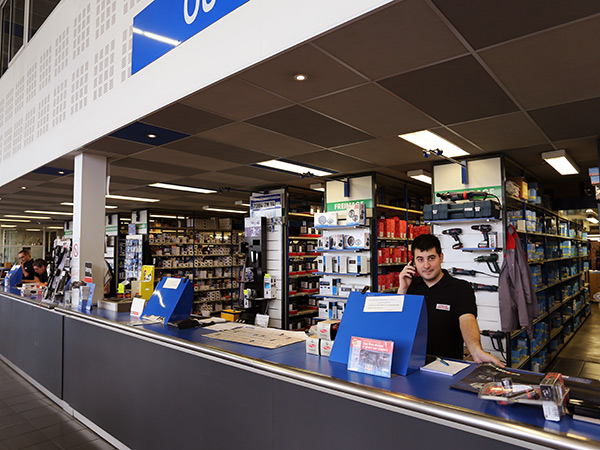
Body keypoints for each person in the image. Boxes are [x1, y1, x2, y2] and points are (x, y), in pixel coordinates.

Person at [397, 234, 503, 366]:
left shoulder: (460, 288)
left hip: (448, 366)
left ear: (441, 257)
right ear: (413, 262)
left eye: (431, 258)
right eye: (420, 259)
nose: (426, 265)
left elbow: (467, 320)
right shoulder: (410, 286)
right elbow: (397, 324)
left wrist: (475, 350)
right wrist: (402, 290)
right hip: (412, 363)